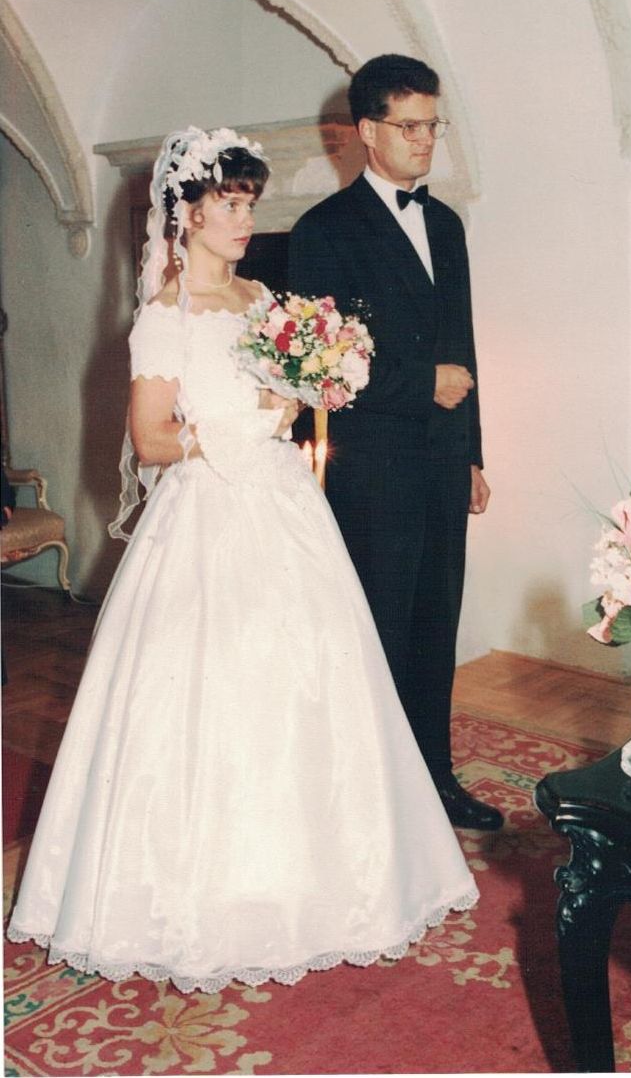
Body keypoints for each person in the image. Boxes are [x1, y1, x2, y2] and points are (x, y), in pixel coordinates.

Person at [7, 126, 478, 993]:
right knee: (212, 695)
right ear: (186, 214)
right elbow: (151, 440)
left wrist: (303, 392)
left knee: (317, 680)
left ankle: (330, 873)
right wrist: (243, 422)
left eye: (249, 203)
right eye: (229, 204)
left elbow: (285, 396)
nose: (244, 219)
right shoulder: (166, 317)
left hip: (283, 504)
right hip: (207, 515)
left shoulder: (262, 295)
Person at [289, 55, 503, 831]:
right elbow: (315, 369)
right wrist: (421, 385)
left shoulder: (445, 225)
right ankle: (373, 798)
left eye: (432, 125)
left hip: (443, 460)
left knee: (435, 628)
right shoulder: (322, 232)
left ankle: (435, 779)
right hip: (373, 469)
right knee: (376, 632)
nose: (425, 140)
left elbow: (463, 348)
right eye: (409, 126)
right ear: (368, 132)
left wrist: (472, 453)